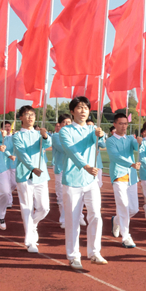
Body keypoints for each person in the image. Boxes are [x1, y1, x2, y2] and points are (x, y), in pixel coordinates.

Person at [59, 96, 107, 269]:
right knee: (73, 220)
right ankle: (73, 256)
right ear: (72, 111)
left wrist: (101, 135)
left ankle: (94, 252)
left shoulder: (93, 129)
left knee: (96, 215)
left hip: (90, 181)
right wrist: (85, 166)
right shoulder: (65, 131)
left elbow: (102, 144)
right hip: (73, 181)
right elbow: (71, 151)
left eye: (86, 108)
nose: (83, 111)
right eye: (79, 108)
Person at [13, 106, 53, 253]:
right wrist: (32, 167)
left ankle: (32, 225)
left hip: (41, 175)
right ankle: (30, 241)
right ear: (21, 118)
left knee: (44, 208)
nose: (30, 117)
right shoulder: (17, 136)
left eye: (32, 115)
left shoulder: (39, 134)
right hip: (25, 175)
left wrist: (45, 136)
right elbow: (21, 154)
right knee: (27, 207)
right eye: (27, 115)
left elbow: (48, 144)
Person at [106, 113, 141, 249]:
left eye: (125, 123)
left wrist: (140, 142)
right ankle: (126, 236)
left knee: (134, 209)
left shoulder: (130, 139)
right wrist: (130, 163)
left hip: (131, 177)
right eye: (120, 123)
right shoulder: (110, 141)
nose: (123, 126)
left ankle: (116, 220)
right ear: (115, 124)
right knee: (124, 207)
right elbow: (115, 156)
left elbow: (138, 148)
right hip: (119, 176)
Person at [51, 114, 72, 228]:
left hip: (72, 168)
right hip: (60, 167)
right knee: (61, 194)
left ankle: (76, 216)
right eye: (65, 122)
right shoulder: (56, 136)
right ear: (60, 124)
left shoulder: (74, 135)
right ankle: (63, 219)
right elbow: (63, 149)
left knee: (72, 194)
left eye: (69, 122)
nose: (67, 124)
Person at [3, 121, 17, 208]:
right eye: (6, 126)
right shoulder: (1, 138)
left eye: (9, 126)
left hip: (13, 162)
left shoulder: (14, 137)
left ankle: (8, 192)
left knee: (14, 183)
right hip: (4, 162)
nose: (8, 128)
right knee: (7, 182)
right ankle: (9, 201)